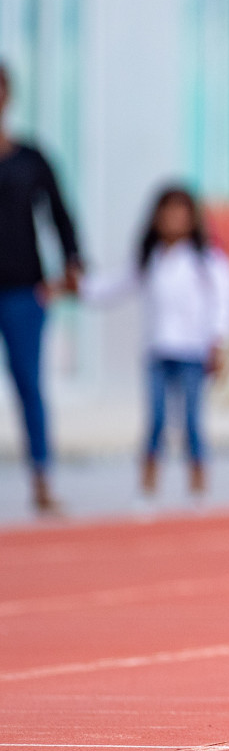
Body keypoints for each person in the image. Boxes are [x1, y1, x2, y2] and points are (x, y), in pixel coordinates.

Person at [81, 186, 229, 503]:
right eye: (167, 213)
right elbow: (115, 286)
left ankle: (198, 483)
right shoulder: (151, 260)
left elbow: (223, 303)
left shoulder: (206, 262)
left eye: (180, 213)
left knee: (192, 421)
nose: (173, 220)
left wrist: (217, 342)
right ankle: (149, 483)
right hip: (158, 350)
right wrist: (81, 287)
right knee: (156, 419)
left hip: (192, 351)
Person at [0, 61, 83, 515]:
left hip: (22, 292)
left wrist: (72, 265)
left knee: (29, 386)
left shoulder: (32, 159)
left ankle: (42, 478)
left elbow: (60, 215)